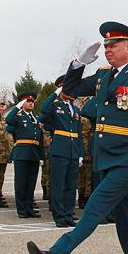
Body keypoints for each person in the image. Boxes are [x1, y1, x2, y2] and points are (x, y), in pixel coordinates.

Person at [26, 21, 128, 254]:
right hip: (106, 160)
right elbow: (70, 88)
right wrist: (78, 62)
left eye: (114, 45)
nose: (109, 50)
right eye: (106, 46)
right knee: (127, 229)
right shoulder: (102, 77)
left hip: (127, 161)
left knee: (93, 211)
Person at [38, 75, 83, 228]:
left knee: (71, 185)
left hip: (73, 150)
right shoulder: (55, 105)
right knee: (58, 184)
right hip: (60, 148)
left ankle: (68, 214)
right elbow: (43, 110)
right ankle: (59, 216)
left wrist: (80, 153)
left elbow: (79, 132)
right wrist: (56, 92)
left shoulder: (75, 109)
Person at [6, 92, 44, 218]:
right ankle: (22, 209)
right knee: (21, 183)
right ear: (22, 103)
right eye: (28, 101)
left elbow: (40, 138)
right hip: (22, 153)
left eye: (32, 101)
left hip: (34, 153)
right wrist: (18, 106)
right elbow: (8, 120)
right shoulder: (17, 116)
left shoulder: (35, 118)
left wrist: (41, 156)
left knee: (31, 183)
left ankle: (29, 207)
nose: (31, 103)